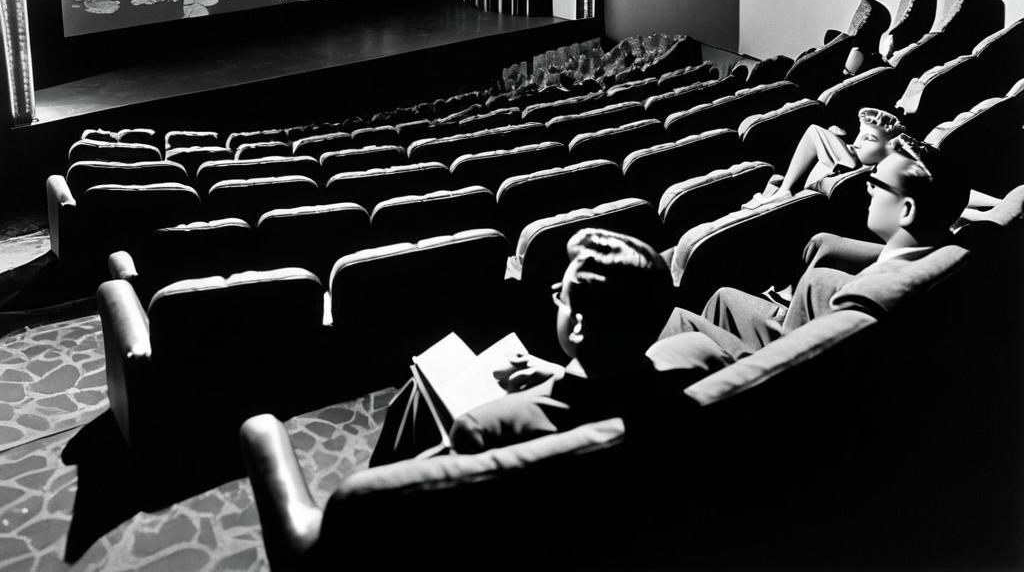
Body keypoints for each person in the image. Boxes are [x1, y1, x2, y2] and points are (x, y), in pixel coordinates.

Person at [370, 230, 726, 464]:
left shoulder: (487, 428)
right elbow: (621, 396)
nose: (557, 298)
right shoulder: (701, 353)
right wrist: (561, 375)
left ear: (580, 326)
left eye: (563, 295)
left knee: (417, 392)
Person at [659, 135, 968, 362]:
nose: (868, 189)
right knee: (723, 298)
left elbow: (785, 365)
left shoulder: (857, 291)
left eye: (876, 183)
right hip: (811, 342)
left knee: (679, 320)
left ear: (907, 210)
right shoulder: (945, 251)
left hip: (780, 371)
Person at [743, 107, 905, 209]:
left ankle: (783, 190)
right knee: (819, 133)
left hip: (855, 159)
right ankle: (783, 189)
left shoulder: (893, 129)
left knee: (814, 131)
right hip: (855, 154)